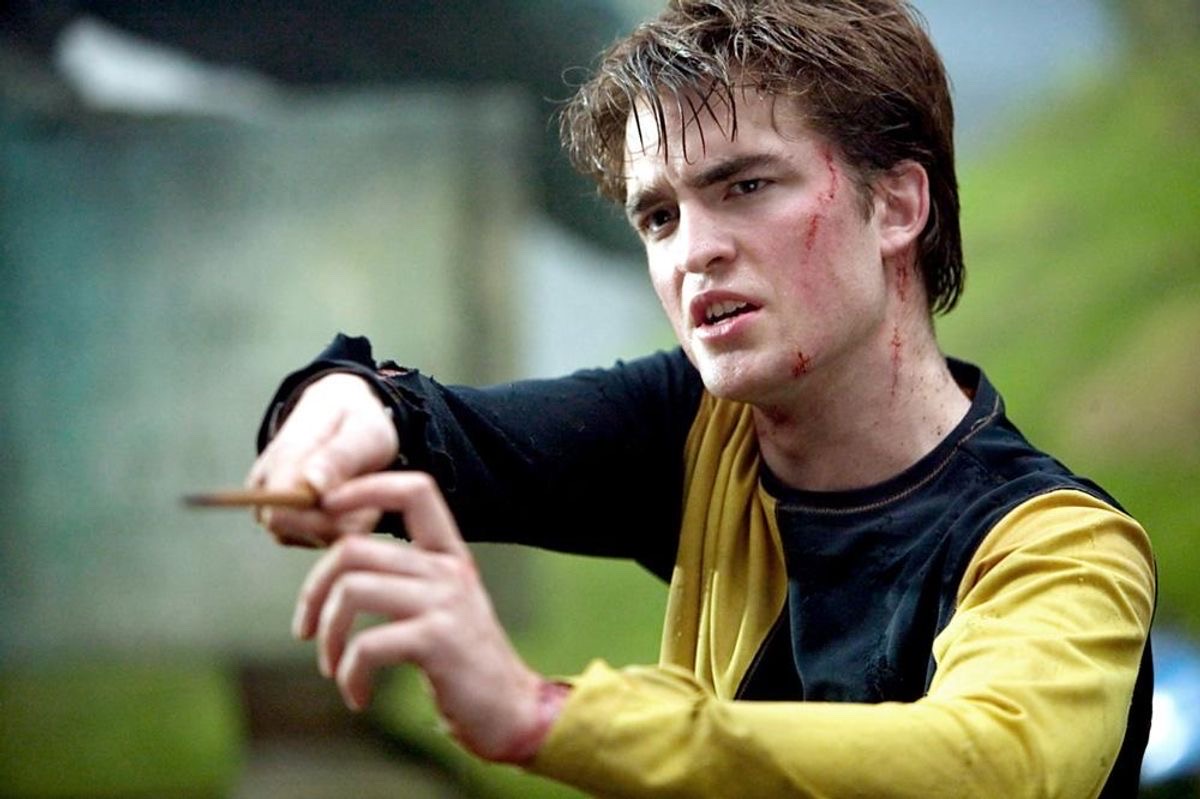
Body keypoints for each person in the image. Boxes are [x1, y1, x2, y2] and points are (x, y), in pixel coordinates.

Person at [247, 1, 1156, 795]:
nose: (692, 252)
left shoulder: (1062, 547)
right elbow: (443, 431)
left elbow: (989, 766)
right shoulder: (699, 423)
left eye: (746, 186)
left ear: (896, 206)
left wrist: (543, 713)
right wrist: (343, 405)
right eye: (659, 216)